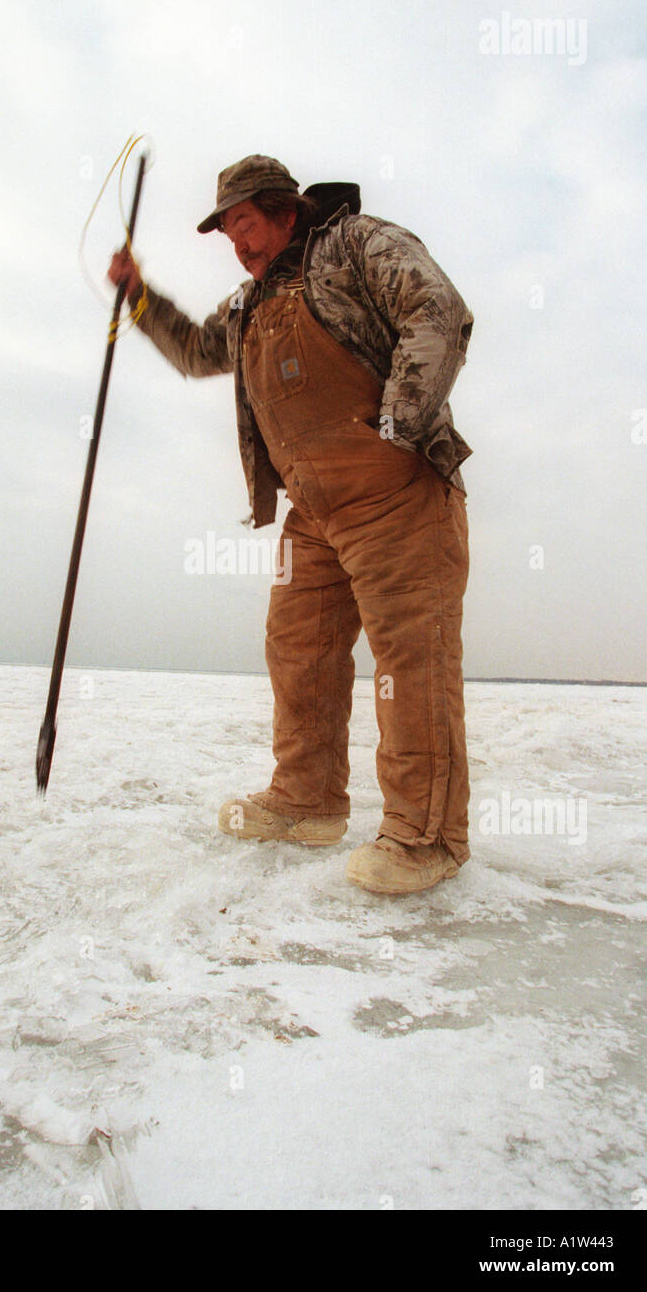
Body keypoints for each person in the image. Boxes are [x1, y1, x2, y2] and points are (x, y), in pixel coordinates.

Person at [107, 154, 473, 895]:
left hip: (396, 494)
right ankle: (306, 800)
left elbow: (436, 311)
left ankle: (425, 837)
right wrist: (139, 298)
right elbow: (195, 352)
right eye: (228, 235)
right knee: (296, 648)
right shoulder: (246, 306)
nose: (237, 246)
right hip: (313, 515)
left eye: (245, 226)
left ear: (284, 210)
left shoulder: (357, 246)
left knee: (411, 662)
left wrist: (397, 426)